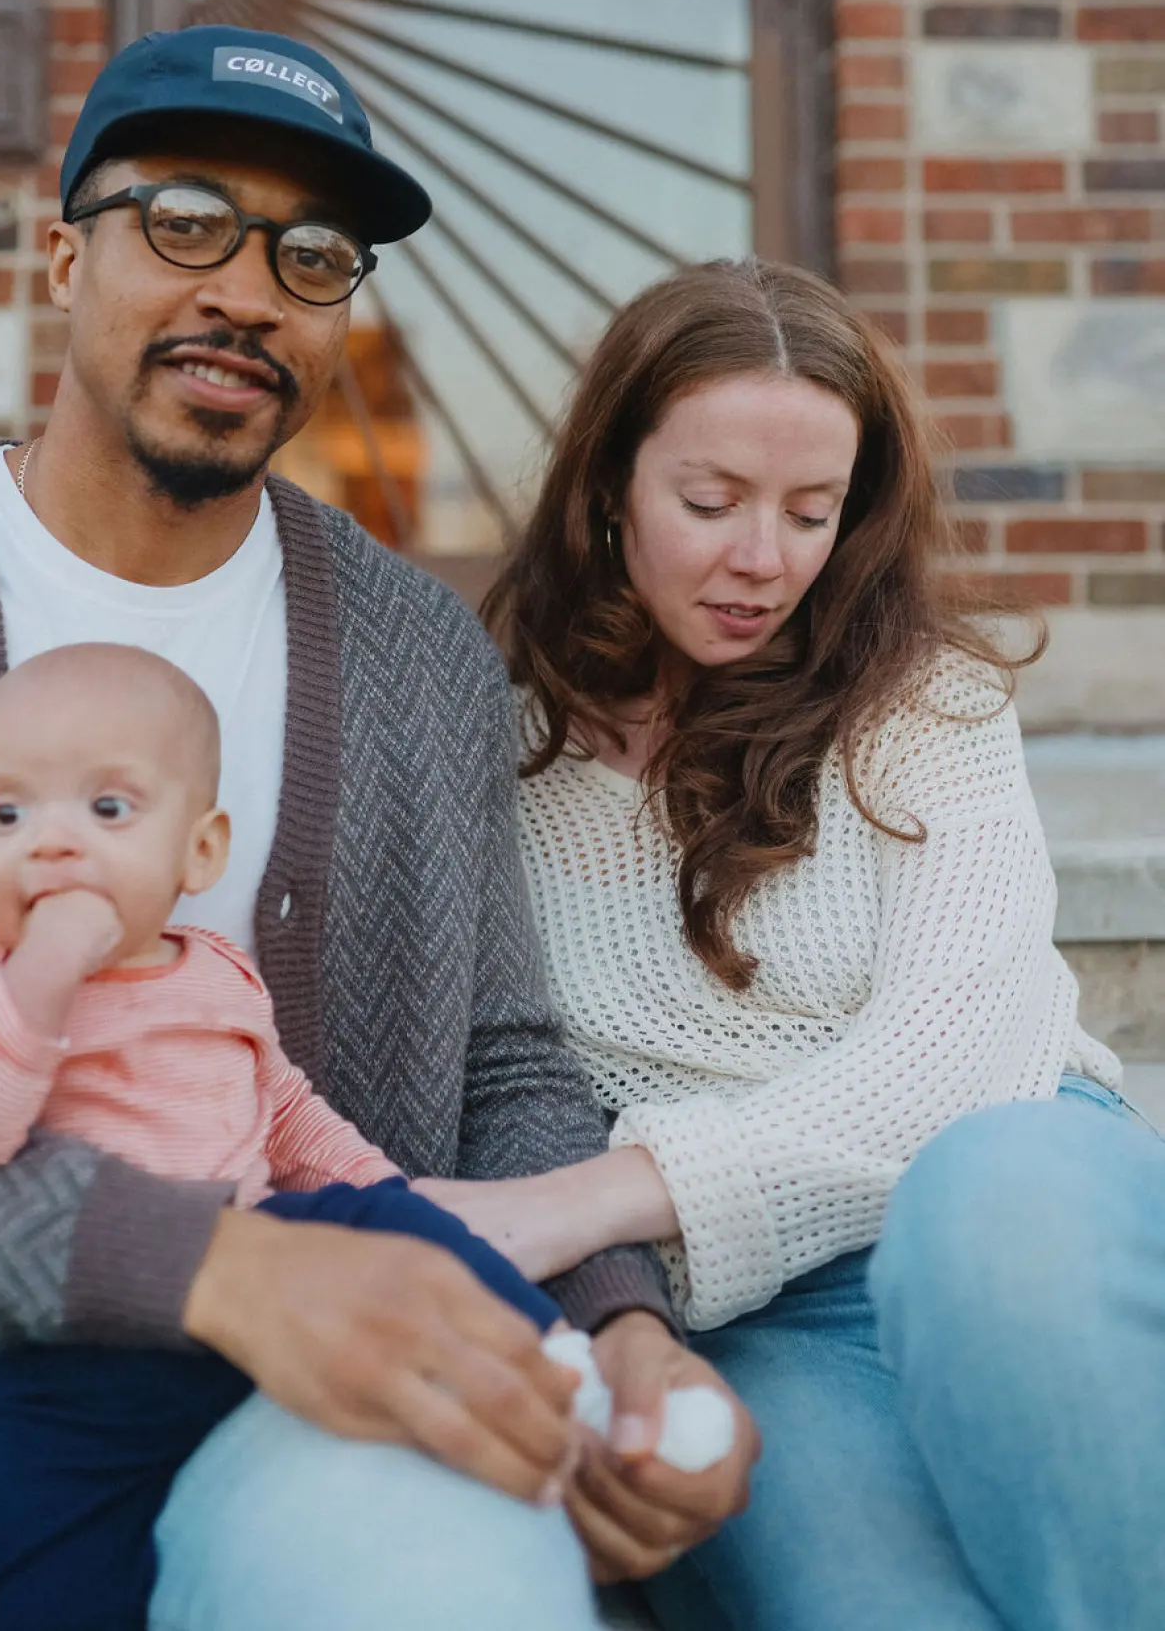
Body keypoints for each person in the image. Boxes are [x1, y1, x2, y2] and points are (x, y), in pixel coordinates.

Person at [0, 26, 755, 1631]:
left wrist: (620, 1316)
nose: (247, 290)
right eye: (187, 220)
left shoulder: (418, 650)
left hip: (316, 1379)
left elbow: (502, 1059)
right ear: (63, 254)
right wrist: (217, 1266)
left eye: (311, 255)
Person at [425, 258, 1165, 1631]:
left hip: (1013, 1224)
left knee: (989, 1193)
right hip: (761, 1309)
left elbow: (962, 1065)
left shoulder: (926, 705)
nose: (761, 559)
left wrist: (593, 1198)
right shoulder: (493, 748)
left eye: (810, 512)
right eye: (708, 504)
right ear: (609, 485)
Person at [0, 641, 567, 1631]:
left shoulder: (217, 972)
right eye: (8, 814)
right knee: (52, 1580)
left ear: (199, 853)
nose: (51, 844)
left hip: (268, 1294)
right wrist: (36, 985)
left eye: (107, 810)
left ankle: (553, 1362)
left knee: (389, 1215)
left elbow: (283, 1109)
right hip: (71, 1352)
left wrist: (377, 1186)